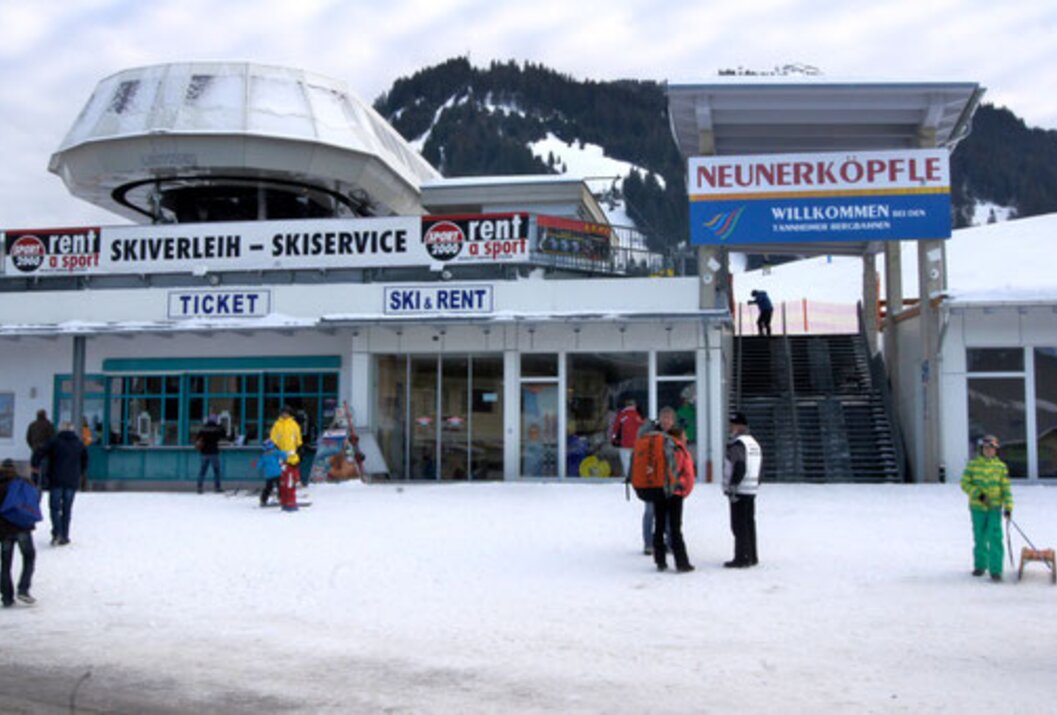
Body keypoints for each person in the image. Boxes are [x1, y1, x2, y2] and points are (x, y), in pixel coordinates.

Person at [960, 434, 1013, 581]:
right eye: (986, 448)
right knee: (980, 537)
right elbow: (964, 483)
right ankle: (980, 566)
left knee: (995, 538)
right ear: (981, 449)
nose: (989, 451)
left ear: (996, 450)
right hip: (977, 509)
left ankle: (996, 570)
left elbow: (1006, 489)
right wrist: (978, 494)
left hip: (994, 509)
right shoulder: (973, 465)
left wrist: (1008, 507)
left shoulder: (1001, 467)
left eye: (992, 449)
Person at [34, 421, 87, 546]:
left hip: (56, 480)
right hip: (72, 481)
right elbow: (85, 460)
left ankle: (57, 532)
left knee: (54, 508)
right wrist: (80, 473)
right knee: (67, 509)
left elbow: (40, 452)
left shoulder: (54, 442)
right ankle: (65, 535)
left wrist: (35, 465)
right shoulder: (79, 444)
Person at [652, 426, 695, 573]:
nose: (686, 437)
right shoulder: (678, 448)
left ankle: (660, 561)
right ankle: (682, 562)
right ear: (678, 435)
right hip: (675, 492)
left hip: (659, 490)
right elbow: (684, 471)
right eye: (684, 434)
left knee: (659, 525)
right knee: (675, 528)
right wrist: (683, 486)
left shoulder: (660, 447)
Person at [635, 407, 675, 557]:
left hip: (668, 481)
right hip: (651, 480)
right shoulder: (650, 434)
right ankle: (648, 543)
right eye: (664, 418)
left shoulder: (675, 435)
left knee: (668, 513)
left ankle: (669, 542)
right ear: (660, 419)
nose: (666, 421)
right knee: (650, 511)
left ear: (673, 421)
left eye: (669, 419)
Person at [723, 412, 761, 568]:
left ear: (739, 426)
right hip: (751, 490)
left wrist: (732, 486)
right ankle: (752, 555)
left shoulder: (737, 444)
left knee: (738, 525)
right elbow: (760, 468)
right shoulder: (754, 443)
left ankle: (741, 557)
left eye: (732, 425)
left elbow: (739, 466)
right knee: (749, 523)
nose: (730, 428)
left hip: (739, 490)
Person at [0, 459, 37, 607]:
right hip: (23, 527)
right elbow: (33, 501)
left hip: (3, 530)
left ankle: (7, 597)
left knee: (5, 564)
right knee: (28, 557)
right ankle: (23, 588)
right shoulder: (23, 483)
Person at [269, 405, 303, 512]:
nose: (285, 415)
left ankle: (291, 502)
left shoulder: (294, 425)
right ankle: (285, 502)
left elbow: (298, 441)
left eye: (287, 413)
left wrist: (300, 451)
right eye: (283, 413)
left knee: (291, 482)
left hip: (293, 458)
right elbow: (273, 441)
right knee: (283, 482)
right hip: (281, 459)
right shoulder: (277, 426)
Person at [25, 409, 55, 488]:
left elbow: (28, 438)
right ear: (45, 415)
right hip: (46, 452)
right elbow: (53, 439)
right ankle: (45, 486)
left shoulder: (32, 425)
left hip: (35, 450)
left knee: (35, 469)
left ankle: (33, 484)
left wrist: (33, 446)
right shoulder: (49, 425)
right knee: (46, 470)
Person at [195, 416, 225, 494]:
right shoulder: (217, 429)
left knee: (203, 471)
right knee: (216, 471)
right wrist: (220, 425)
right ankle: (217, 487)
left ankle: (199, 487)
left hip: (204, 452)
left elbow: (197, 438)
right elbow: (223, 436)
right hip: (214, 452)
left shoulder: (203, 429)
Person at [257, 439, 284, 507]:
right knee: (273, 487)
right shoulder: (267, 455)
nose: (270, 451)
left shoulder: (273, 453)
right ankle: (264, 500)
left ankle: (280, 499)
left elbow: (284, 455)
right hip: (273, 474)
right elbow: (259, 465)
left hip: (274, 474)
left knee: (277, 487)